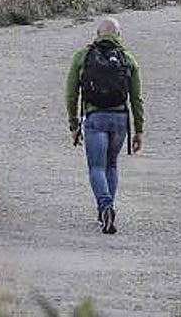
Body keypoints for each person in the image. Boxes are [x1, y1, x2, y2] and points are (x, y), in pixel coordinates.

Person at [65, 16, 144, 235]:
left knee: (96, 167)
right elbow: (137, 99)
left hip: (95, 118)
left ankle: (105, 206)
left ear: (97, 34)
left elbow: (71, 94)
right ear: (118, 35)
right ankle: (107, 208)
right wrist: (139, 130)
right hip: (119, 120)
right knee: (111, 165)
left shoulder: (82, 57)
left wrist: (73, 124)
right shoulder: (128, 59)